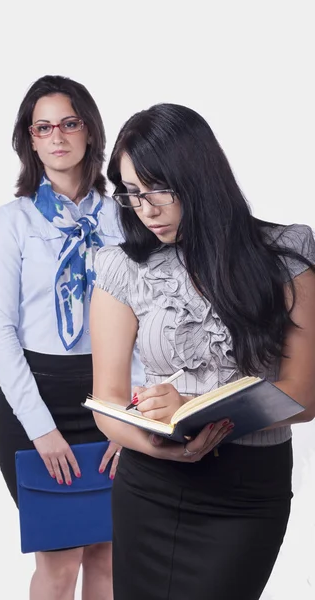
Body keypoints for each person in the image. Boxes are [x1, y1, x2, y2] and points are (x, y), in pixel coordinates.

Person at [89, 103, 315, 600]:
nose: (145, 210)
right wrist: (159, 444)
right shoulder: (120, 268)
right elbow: (106, 402)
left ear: (197, 176)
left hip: (246, 495)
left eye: (156, 191)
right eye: (131, 194)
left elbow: (303, 396)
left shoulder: (284, 254)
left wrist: (190, 409)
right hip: (149, 485)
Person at [0, 75, 143, 600]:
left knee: (109, 558)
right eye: (43, 126)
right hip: (37, 400)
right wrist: (41, 429)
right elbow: (1, 330)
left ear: (90, 132)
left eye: (69, 123)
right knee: (59, 561)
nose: (58, 136)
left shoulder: (124, 217)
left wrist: (129, 418)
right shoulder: (13, 222)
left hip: (111, 394)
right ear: (30, 139)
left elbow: (142, 318)